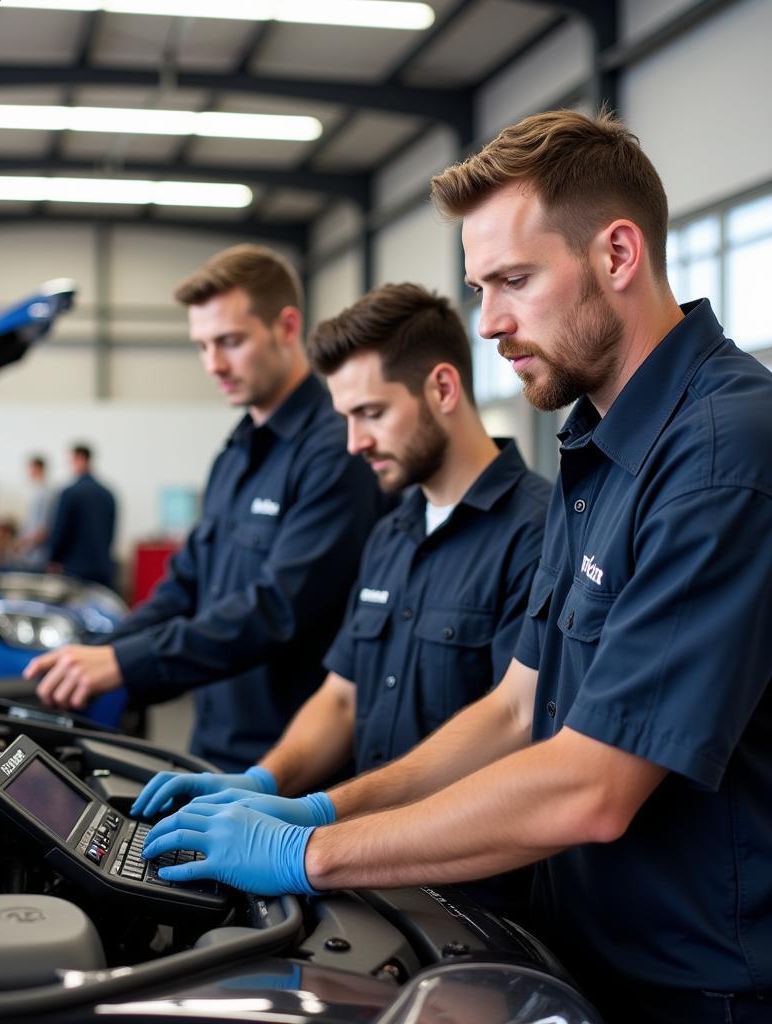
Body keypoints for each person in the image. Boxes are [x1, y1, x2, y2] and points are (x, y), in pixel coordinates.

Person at [140, 110, 772, 1024]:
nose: (489, 324)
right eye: (480, 289)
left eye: (514, 281)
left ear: (619, 254)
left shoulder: (722, 456)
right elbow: (516, 711)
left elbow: (594, 786)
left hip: (698, 990)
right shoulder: (594, 453)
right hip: (578, 957)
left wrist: (310, 857)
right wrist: (313, 807)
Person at [131, 282, 550, 915]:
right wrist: (264, 781)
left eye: (371, 414)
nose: (353, 442)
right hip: (369, 883)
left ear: (442, 389)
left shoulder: (539, 534)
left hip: (475, 901)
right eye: (345, 417)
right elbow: (342, 694)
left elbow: (511, 733)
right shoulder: (390, 532)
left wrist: (322, 815)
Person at [25, 244, 384, 772]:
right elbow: (184, 586)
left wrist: (125, 664)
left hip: (294, 761)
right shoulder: (235, 453)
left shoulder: (335, 451)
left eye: (230, 342)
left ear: (286, 327)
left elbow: (277, 609)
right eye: (201, 346)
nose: (213, 364)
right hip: (213, 745)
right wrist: (98, 653)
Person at [46, 443, 117, 588]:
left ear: (80, 459)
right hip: (102, 568)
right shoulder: (108, 494)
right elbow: (111, 533)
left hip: (75, 570)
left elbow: (60, 530)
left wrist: (53, 558)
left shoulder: (70, 493)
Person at [15, 453, 53, 568]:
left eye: (31, 468)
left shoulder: (44, 494)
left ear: (37, 468)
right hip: (31, 552)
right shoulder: (37, 493)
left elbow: (43, 529)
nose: (29, 472)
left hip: (37, 554)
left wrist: (24, 544)